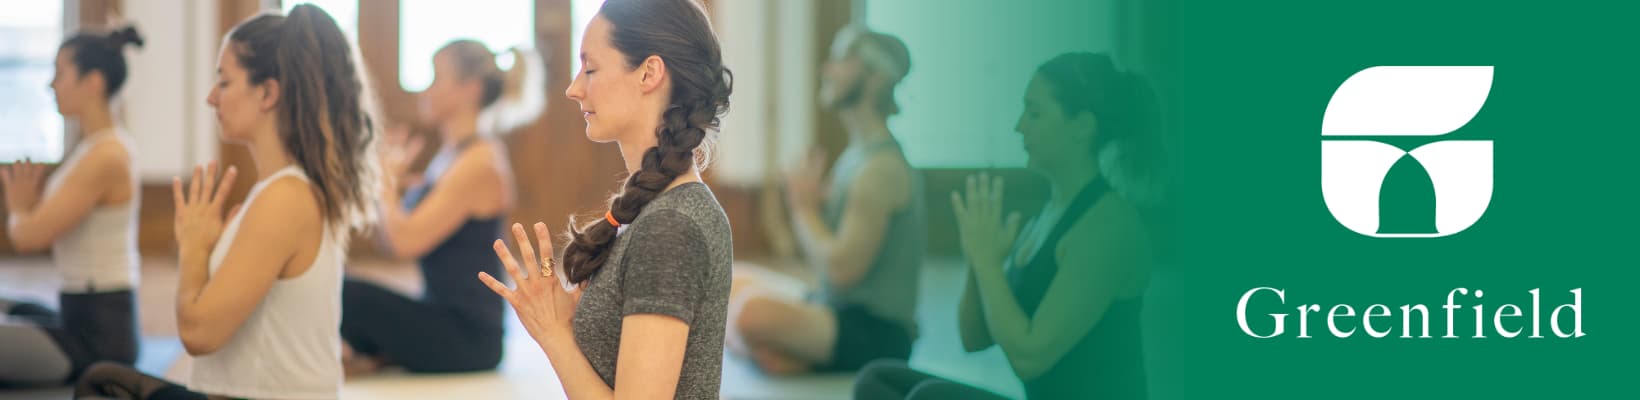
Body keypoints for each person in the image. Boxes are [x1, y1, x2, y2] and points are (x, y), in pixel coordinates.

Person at [73, 5, 378, 399]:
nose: (211, 97)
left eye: (224, 81)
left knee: (103, 383)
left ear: (268, 92)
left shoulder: (285, 198)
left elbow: (200, 334)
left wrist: (195, 249)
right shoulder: (282, 191)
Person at [853, 52, 1159, 400]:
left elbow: (1030, 356)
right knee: (878, 382)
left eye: (1035, 113)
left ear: (1082, 126)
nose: (1020, 126)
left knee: (929, 398)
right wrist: (979, 259)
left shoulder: (1107, 226)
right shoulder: (1047, 216)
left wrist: (988, 264)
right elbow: (974, 337)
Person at [476, 0, 733, 398]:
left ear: (649, 72)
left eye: (590, 69)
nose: (573, 88)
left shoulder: (670, 228)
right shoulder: (656, 212)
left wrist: (553, 333)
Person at [726, 25, 924, 375]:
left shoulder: (881, 168)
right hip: (833, 307)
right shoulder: (858, 156)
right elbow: (825, 268)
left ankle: (777, 352)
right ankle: (780, 354)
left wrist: (804, 209)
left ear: (875, 78)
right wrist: (806, 211)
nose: (826, 69)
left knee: (748, 313)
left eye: (841, 60)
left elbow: (841, 271)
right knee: (731, 280)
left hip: (875, 333)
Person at [341, 39, 543, 376]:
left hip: (469, 336)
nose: (426, 90)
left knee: (345, 295)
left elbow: (404, 243)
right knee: (342, 284)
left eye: (437, 78)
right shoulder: (451, 156)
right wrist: (385, 192)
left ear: (471, 89)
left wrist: (386, 186)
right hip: (439, 311)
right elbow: (389, 240)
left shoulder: (480, 163)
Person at [0, 25, 143, 388]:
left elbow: (29, 236)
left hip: (97, 340)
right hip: (76, 315)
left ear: (92, 82)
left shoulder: (106, 156)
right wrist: (28, 209)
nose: (51, 85)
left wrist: (19, 208)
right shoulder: (92, 149)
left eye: (60, 74)